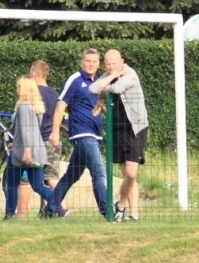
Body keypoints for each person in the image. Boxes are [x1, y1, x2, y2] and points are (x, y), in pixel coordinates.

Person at [49, 48, 113, 220]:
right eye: (88, 61)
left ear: (98, 64)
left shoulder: (98, 82)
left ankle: (51, 208)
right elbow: (61, 105)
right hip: (81, 134)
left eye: (94, 61)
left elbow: (99, 105)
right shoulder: (75, 80)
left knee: (72, 175)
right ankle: (107, 212)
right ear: (81, 62)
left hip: (95, 134)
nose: (91, 64)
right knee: (99, 172)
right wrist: (55, 132)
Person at [90, 48, 149, 221]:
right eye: (107, 64)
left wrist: (105, 85)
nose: (110, 67)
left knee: (131, 174)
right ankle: (133, 215)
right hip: (116, 129)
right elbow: (93, 89)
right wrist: (108, 78)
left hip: (134, 127)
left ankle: (120, 205)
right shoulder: (107, 74)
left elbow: (117, 89)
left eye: (114, 64)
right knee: (126, 175)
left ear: (121, 61)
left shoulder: (130, 74)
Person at [3, 77, 59, 220]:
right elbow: (32, 131)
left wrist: (26, 149)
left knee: (11, 184)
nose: (17, 88)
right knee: (38, 185)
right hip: (38, 150)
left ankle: (9, 215)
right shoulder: (37, 107)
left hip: (22, 154)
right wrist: (16, 142)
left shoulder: (23, 106)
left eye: (19, 86)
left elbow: (26, 130)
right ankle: (59, 206)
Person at [30, 60, 68, 208]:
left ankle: (59, 208)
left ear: (34, 73)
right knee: (52, 176)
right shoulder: (55, 94)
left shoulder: (34, 94)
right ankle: (62, 207)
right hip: (54, 139)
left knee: (28, 179)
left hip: (39, 141)